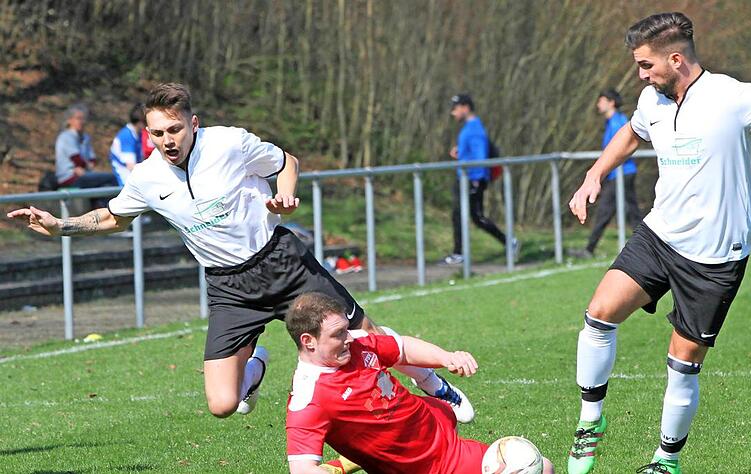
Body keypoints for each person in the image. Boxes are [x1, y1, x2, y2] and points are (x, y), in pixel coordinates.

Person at [9, 84, 474, 440]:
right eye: (158, 133)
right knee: (221, 404)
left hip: (281, 263)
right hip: (229, 287)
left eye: (175, 129)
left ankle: (434, 385)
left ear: (193, 123)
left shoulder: (229, 143)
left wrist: (284, 193)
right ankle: (256, 368)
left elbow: (286, 161)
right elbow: (113, 217)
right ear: (147, 134)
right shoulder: (146, 177)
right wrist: (60, 226)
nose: (167, 140)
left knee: (365, 335)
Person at [565, 12, 751, 474]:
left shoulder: (734, 97)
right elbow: (631, 133)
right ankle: (590, 424)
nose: (640, 75)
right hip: (660, 235)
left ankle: (665, 461)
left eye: (646, 65)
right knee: (599, 315)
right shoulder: (651, 99)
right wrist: (594, 175)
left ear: (675, 59)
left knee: (682, 362)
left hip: (716, 258)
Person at [284, 292, 554, 474]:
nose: (349, 338)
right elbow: (302, 469)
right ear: (308, 341)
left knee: (539, 466)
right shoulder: (308, 401)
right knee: (541, 468)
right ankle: (348, 463)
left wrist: (447, 357)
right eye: (338, 334)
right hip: (433, 466)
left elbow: (402, 349)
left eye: (346, 328)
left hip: (439, 430)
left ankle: (439, 396)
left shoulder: (357, 343)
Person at [444, 93, 517, 265]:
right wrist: (461, 153)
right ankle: (508, 243)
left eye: (455, 109)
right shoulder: (470, 128)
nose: (453, 113)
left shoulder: (475, 129)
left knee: (470, 215)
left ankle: (459, 253)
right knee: (470, 216)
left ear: (465, 107)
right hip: (467, 178)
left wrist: (475, 180)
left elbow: (480, 157)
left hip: (472, 179)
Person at [574, 89, 642, 258]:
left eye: (601, 100)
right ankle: (590, 248)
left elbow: (623, 149)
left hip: (622, 174)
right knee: (619, 212)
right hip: (616, 175)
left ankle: (590, 249)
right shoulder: (611, 122)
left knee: (620, 212)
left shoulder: (618, 122)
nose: (598, 104)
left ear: (611, 102)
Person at [54, 103, 119, 208]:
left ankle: (99, 209)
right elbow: (77, 159)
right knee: (112, 178)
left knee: (105, 185)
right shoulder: (66, 136)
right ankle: (106, 209)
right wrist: (85, 166)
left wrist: (86, 165)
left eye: (83, 119)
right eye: (78, 118)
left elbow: (92, 159)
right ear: (69, 120)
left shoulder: (85, 137)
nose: (81, 122)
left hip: (84, 174)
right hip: (70, 177)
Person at [109, 103, 146, 186]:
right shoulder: (127, 135)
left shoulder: (138, 134)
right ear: (140, 121)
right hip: (124, 178)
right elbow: (131, 166)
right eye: (146, 121)